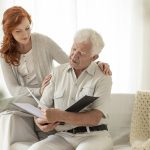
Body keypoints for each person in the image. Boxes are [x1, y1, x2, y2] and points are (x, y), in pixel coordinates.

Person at [0, 6, 112, 150]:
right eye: (18, 31)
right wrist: (40, 103)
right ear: (9, 32)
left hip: (88, 132)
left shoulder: (44, 43)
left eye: (27, 28)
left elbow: (69, 61)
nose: (25, 34)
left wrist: (96, 64)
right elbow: (15, 91)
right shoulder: (5, 55)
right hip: (33, 99)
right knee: (6, 106)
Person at [29, 28, 113, 150]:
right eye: (74, 49)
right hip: (63, 136)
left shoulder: (103, 76)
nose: (74, 55)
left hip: (94, 135)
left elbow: (95, 118)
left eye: (82, 53)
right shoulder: (58, 72)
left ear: (94, 57)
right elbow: (41, 108)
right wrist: (41, 122)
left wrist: (60, 115)